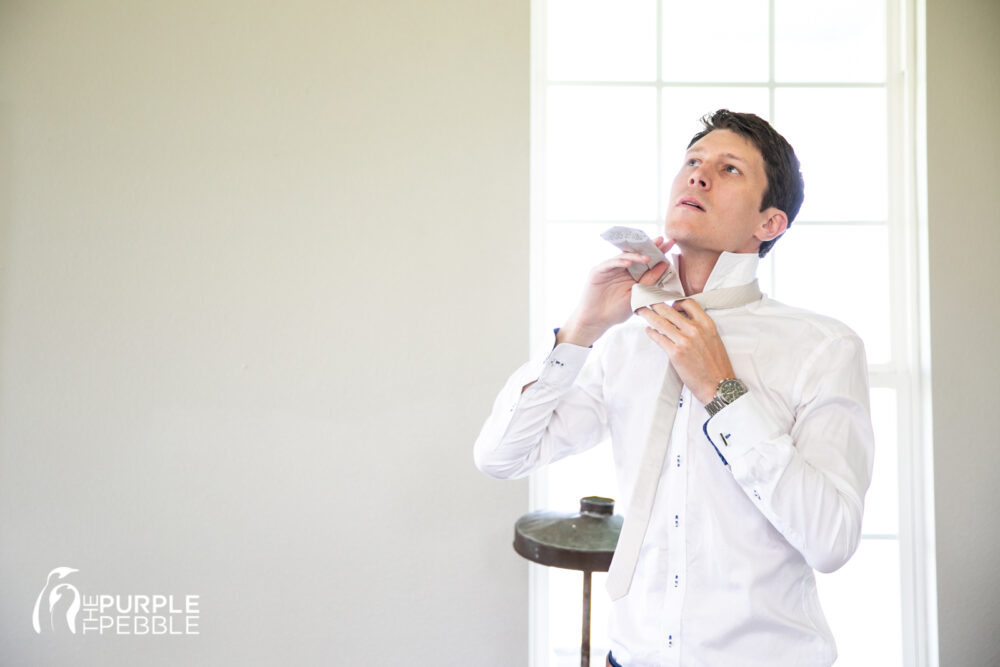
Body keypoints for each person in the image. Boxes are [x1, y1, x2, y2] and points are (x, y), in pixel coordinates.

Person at [474, 110, 875, 667]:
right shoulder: (624, 341)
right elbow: (500, 456)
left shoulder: (824, 347)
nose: (698, 176)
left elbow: (831, 540)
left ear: (770, 224)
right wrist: (580, 331)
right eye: (692, 161)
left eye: (729, 168)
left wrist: (723, 391)